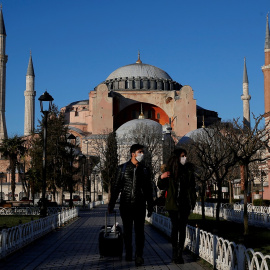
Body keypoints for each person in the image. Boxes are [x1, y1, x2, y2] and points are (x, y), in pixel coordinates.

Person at [108, 144, 153, 267]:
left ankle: (139, 255)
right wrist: (111, 205)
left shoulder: (144, 170)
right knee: (127, 231)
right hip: (126, 205)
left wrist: (150, 206)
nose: (142, 154)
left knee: (140, 232)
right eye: (140, 152)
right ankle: (128, 252)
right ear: (133, 153)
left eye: (143, 152)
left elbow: (148, 189)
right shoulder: (122, 169)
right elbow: (116, 188)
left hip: (140, 205)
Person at [157, 148, 196, 264]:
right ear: (177, 157)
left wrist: (192, 202)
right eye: (182, 156)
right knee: (175, 228)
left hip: (184, 203)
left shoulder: (188, 171)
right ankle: (174, 252)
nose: (185, 158)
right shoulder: (169, 171)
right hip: (173, 204)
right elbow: (161, 186)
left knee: (182, 228)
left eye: (185, 156)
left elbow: (192, 188)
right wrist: (161, 177)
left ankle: (179, 253)